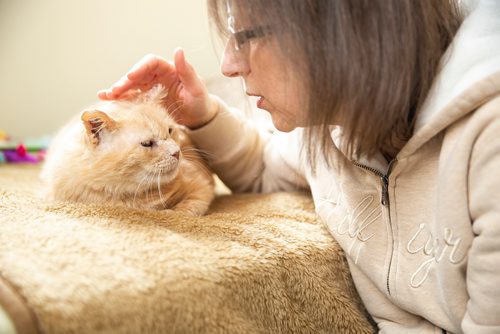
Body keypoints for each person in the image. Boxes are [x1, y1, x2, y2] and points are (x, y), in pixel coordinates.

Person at [97, 0, 500, 332]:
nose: (228, 66)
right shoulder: (327, 129)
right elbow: (260, 170)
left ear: (339, 29)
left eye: (244, 35)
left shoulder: (488, 136)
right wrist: (200, 114)